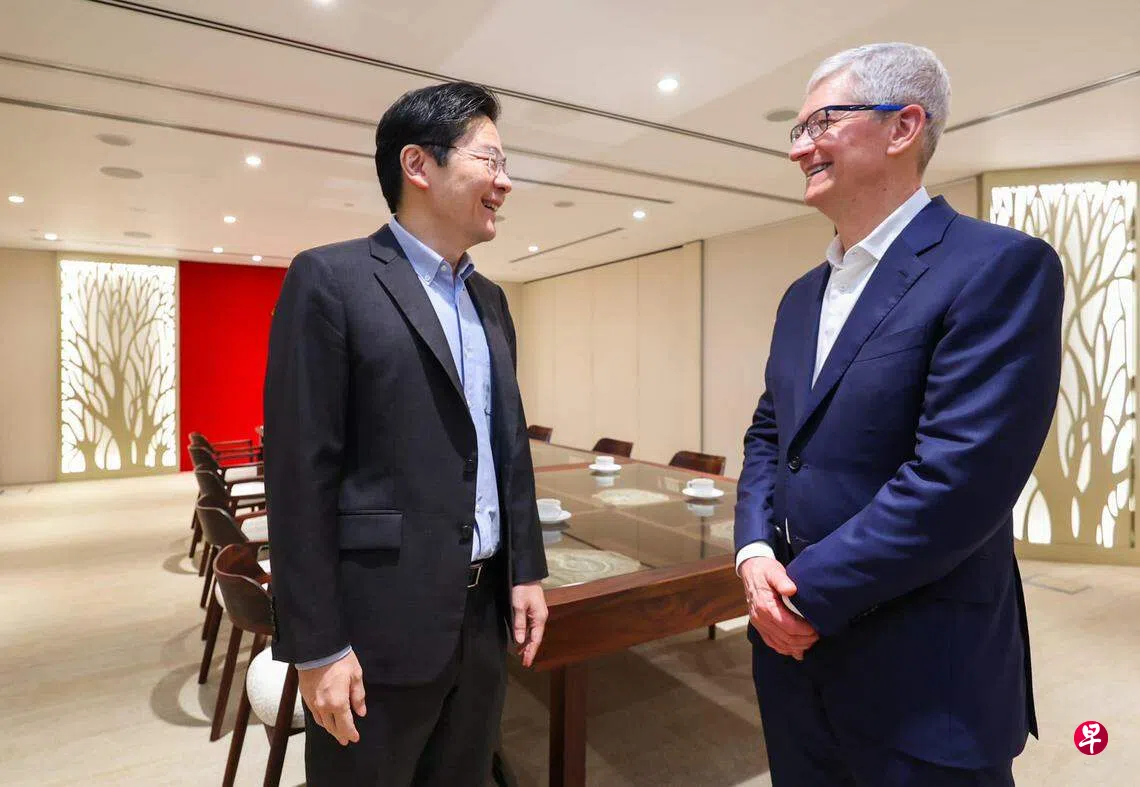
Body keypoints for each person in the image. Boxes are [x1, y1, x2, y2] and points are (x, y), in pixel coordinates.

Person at [734, 42, 1061, 786]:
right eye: (797, 130)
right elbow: (771, 436)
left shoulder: (997, 266)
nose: (799, 148)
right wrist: (753, 553)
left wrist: (803, 597)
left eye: (820, 123)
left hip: (924, 677)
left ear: (903, 126)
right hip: (792, 666)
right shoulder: (801, 296)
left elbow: (958, 481)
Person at [263, 80, 549, 786]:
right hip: (375, 628)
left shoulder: (490, 300)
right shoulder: (331, 279)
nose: (505, 182)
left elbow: (507, 448)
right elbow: (299, 477)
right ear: (418, 165)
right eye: (490, 160)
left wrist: (526, 569)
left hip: (482, 618)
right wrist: (317, 646)